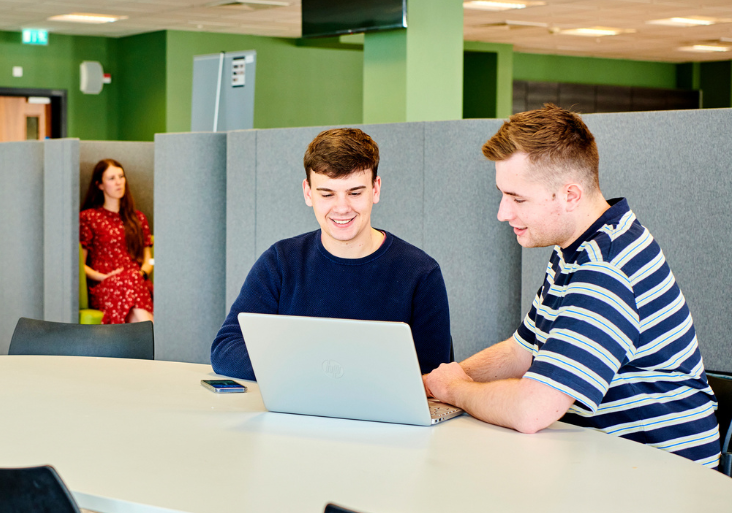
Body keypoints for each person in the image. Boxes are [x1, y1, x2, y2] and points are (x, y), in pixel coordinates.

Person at [424, 105, 721, 467]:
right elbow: (521, 352)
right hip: (605, 459)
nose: (503, 213)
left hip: (660, 474)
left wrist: (456, 389)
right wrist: (431, 384)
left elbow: (533, 410)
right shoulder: (576, 249)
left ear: (570, 195)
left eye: (517, 198)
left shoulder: (606, 267)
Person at [211, 128, 452, 380]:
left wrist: (324, 369)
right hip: (293, 415)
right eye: (327, 194)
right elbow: (226, 348)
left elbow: (434, 374)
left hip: (379, 418)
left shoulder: (420, 273)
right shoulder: (281, 262)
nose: (341, 208)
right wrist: (317, 371)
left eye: (355, 193)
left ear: (375, 189)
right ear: (308, 192)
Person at [79, 159, 154, 324]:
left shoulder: (138, 218)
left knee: (132, 282)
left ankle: (149, 340)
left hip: (137, 281)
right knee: (130, 286)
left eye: (121, 176)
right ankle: (155, 338)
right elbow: (80, 264)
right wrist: (103, 277)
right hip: (105, 285)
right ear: (100, 185)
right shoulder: (88, 217)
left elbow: (148, 258)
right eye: (112, 178)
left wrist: (141, 274)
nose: (119, 182)